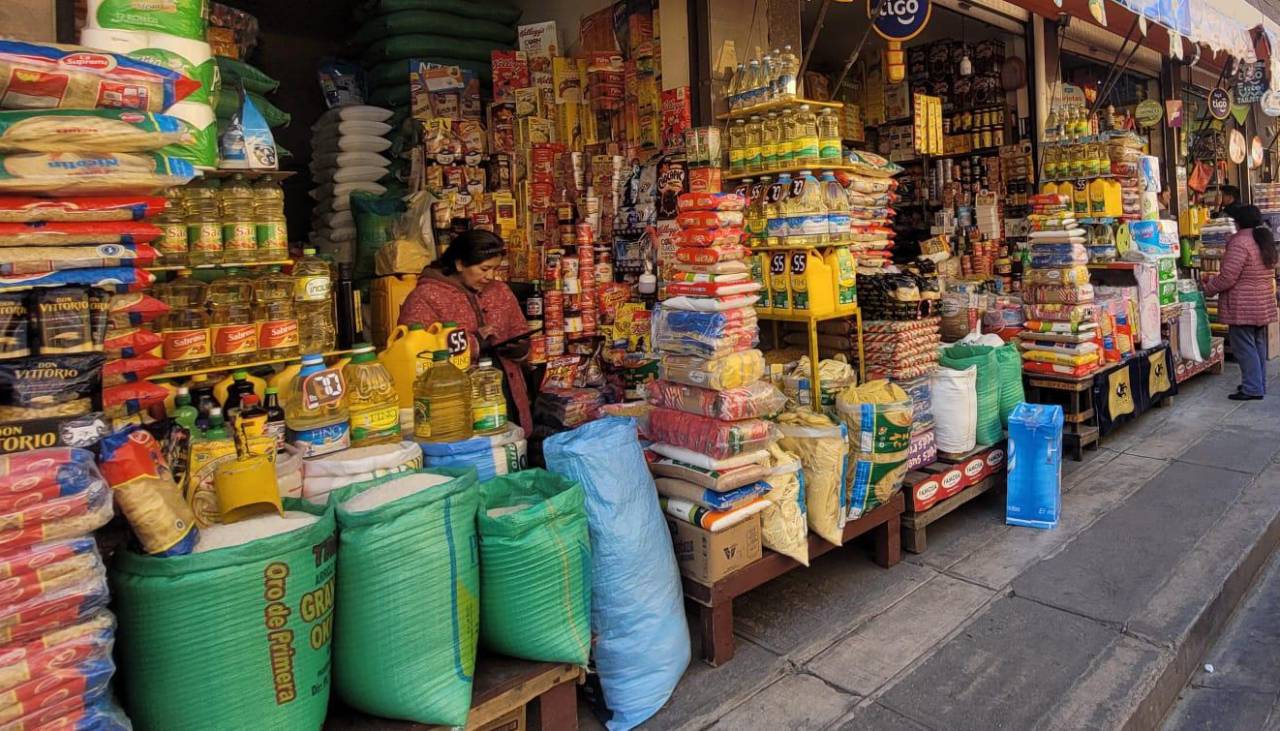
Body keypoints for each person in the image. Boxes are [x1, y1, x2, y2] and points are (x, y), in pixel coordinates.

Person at [398, 230, 532, 431]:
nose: (490, 276)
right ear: (460, 264)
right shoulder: (425, 297)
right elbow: (415, 354)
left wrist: (521, 349)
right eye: (484, 269)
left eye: (495, 269)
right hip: (456, 403)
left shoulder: (500, 291)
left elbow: (519, 328)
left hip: (506, 392)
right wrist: (474, 342)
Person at [1202, 205, 1278, 401]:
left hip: (1243, 306)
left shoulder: (1240, 242)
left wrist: (1208, 288)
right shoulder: (1263, 239)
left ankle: (1252, 387)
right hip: (1261, 302)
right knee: (1257, 345)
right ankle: (1257, 383)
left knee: (1244, 347)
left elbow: (1228, 277)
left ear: (1238, 222)